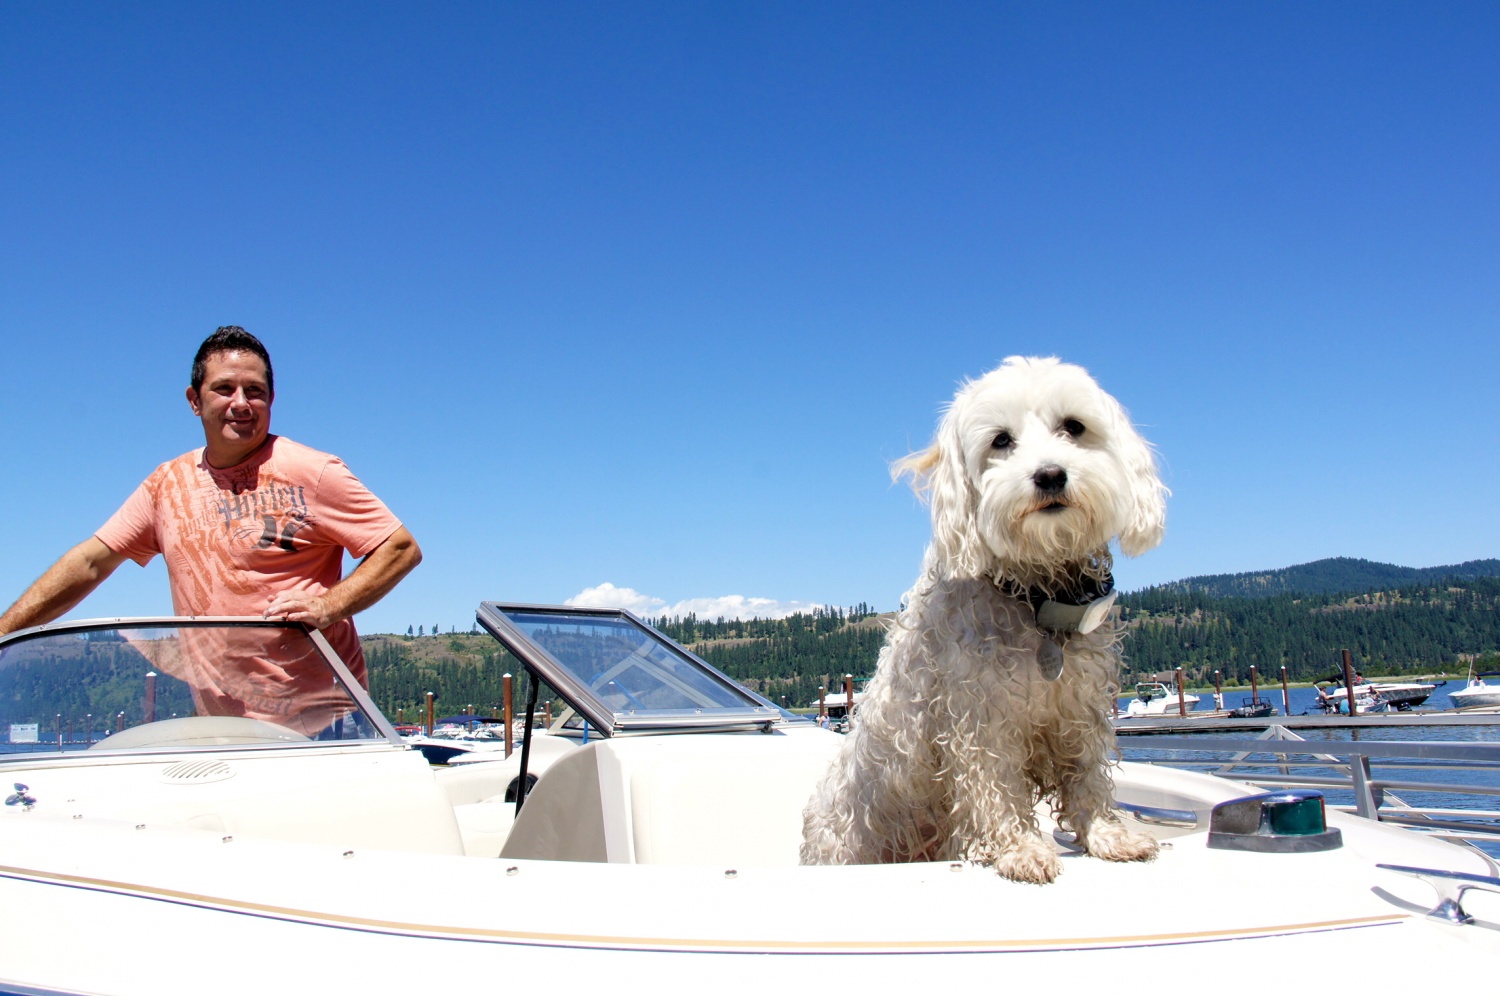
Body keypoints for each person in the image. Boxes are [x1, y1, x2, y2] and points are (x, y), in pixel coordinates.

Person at [0, 327, 421, 725]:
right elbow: (91, 562)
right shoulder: (166, 485)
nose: (241, 402)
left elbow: (400, 547)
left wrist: (331, 605)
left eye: (255, 391)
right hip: (222, 727)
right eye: (224, 388)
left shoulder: (313, 471)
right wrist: (3, 633)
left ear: (272, 399)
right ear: (194, 400)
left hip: (323, 722)